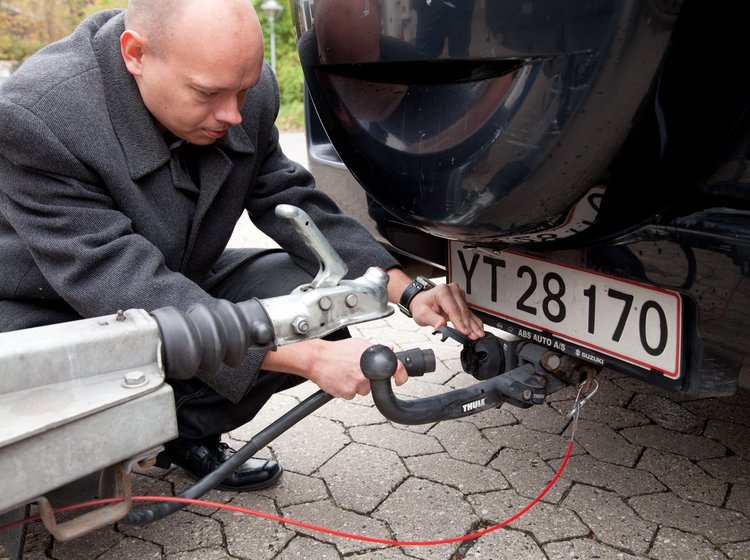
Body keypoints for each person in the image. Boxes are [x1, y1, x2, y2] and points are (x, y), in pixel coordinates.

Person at [0, 0, 484, 492]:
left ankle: (182, 431)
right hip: (55, 312)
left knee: (324, 302)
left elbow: (289, 198)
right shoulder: (40, 117)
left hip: (173, 276)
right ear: (136, 54)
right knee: (65, 468)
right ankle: (106, 442)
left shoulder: (237, 88)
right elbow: (121, 282)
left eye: (243, 90)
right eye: (208, 94)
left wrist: (405, 290)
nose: (232, 114)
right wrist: (306, 356)